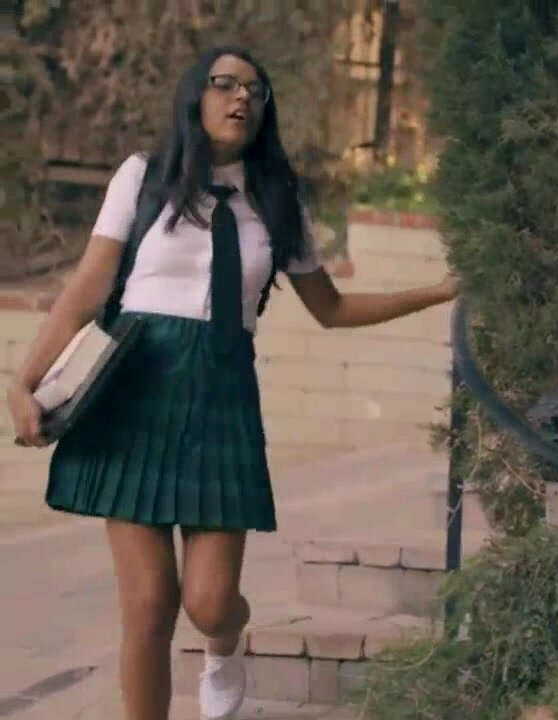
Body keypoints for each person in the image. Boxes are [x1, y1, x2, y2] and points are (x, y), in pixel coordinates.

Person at [5, 46, 458, 720]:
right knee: (149, 606)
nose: (241, 97)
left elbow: (332, 308)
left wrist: (438, 291)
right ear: (197, 96)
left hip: (220, 398)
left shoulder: (277, 201)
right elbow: (86, 288)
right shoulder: (144, 177)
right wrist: (24, 382)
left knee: (211, 603)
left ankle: (225, 644)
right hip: (132, 396)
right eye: (225, 84)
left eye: (255, 89)